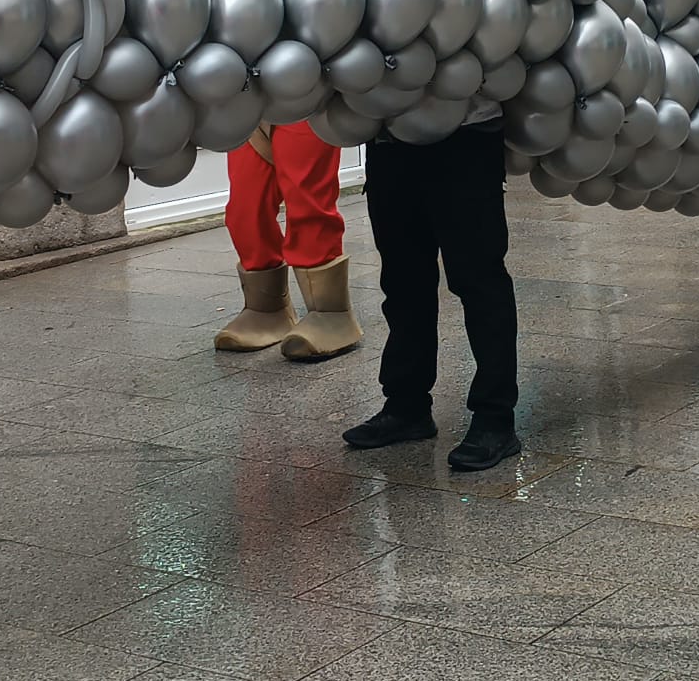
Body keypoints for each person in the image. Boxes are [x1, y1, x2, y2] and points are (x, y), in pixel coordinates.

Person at [343, 109, 521, 472]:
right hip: (388, 137)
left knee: (479, 280)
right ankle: (406, 406)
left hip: (466, 133)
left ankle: (495, 418)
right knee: (402, 282)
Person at [213, 122, 363, 360]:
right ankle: (265, 308)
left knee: (307, 204)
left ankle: (330, 313)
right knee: (245, 209)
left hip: (306, 101)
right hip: (249, 102)